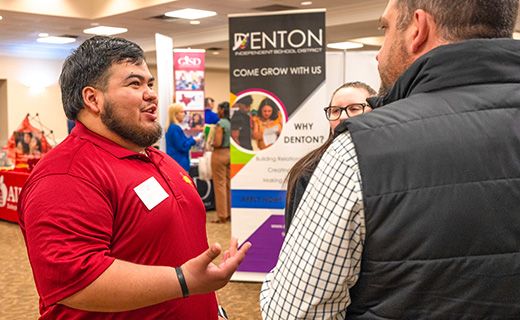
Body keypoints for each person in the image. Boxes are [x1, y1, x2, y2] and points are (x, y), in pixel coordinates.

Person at [261, 0, 520, 318]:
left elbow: (293, 312)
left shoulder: (360, 149)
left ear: (418, 29)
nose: (378, 54)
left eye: (385, 29)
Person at [17, 35, 250, 319]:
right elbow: (75, 282)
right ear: (93, 99)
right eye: (134, 83)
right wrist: (183, 280)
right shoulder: (66, 175)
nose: (151, 93)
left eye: (149, 83)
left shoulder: (157, 159)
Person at [284, 82, 375, 233]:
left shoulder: (388, 163)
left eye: (354, 109)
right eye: (335, 111)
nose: (343, 117)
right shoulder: (308, 171)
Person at [211, 102, 231, 224]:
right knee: (228, 184)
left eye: (218, 109)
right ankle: (229, 212)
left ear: (223, 110)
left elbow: (218, 142)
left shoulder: (221, 123)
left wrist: (210, 141)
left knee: (220, 185)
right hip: (231, 154)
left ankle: (222, 215)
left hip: (220, 154)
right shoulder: (231, 122)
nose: (217, 111)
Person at [165, 103, 202, 172]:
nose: (184, 114)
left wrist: (191, 139)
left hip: (175, 161)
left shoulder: (170, 127)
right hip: (179, 162)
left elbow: (181, 141)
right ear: (175, 114)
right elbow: (182, 147)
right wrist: (193, 141)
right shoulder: (176, 128)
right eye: (181, 112)